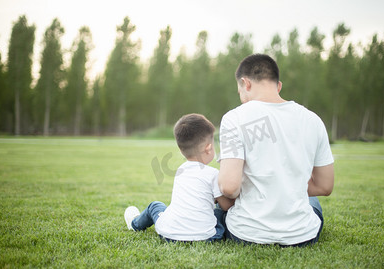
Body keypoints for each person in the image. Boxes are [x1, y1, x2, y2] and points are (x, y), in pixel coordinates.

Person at [218, 54, 334, 247]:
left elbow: (229, 188)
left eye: (239, 91)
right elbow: (324, 186)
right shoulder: (313, 120)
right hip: (303, 235)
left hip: (247, 233)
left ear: (245, 83)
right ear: (278, 86)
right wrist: (287, 185)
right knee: (312, 202)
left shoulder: (234, 118)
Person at [124, 113, 235, 242]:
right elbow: (226, 206)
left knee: (155, 206)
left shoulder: (180, 170)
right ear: (209, 148)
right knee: (219, 212)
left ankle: (135, 224)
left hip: (169, 234)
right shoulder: (213, 174)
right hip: (208, 237)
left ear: (181, 149)